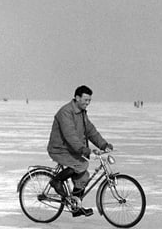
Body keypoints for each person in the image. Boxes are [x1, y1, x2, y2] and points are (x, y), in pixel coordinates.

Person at [47, 85, 113, 217]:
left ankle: (75, 206)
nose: (88, 103)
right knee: (82, 164)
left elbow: (91, 131)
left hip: (71, 149)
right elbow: (70, 135)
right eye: (85, 100)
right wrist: (84, 150)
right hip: (59, 149)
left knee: (83, 177)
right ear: (77, 98)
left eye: (89, 101)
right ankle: (56, 181)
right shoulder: (66, 112)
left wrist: (103, 144)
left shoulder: (81, 113)